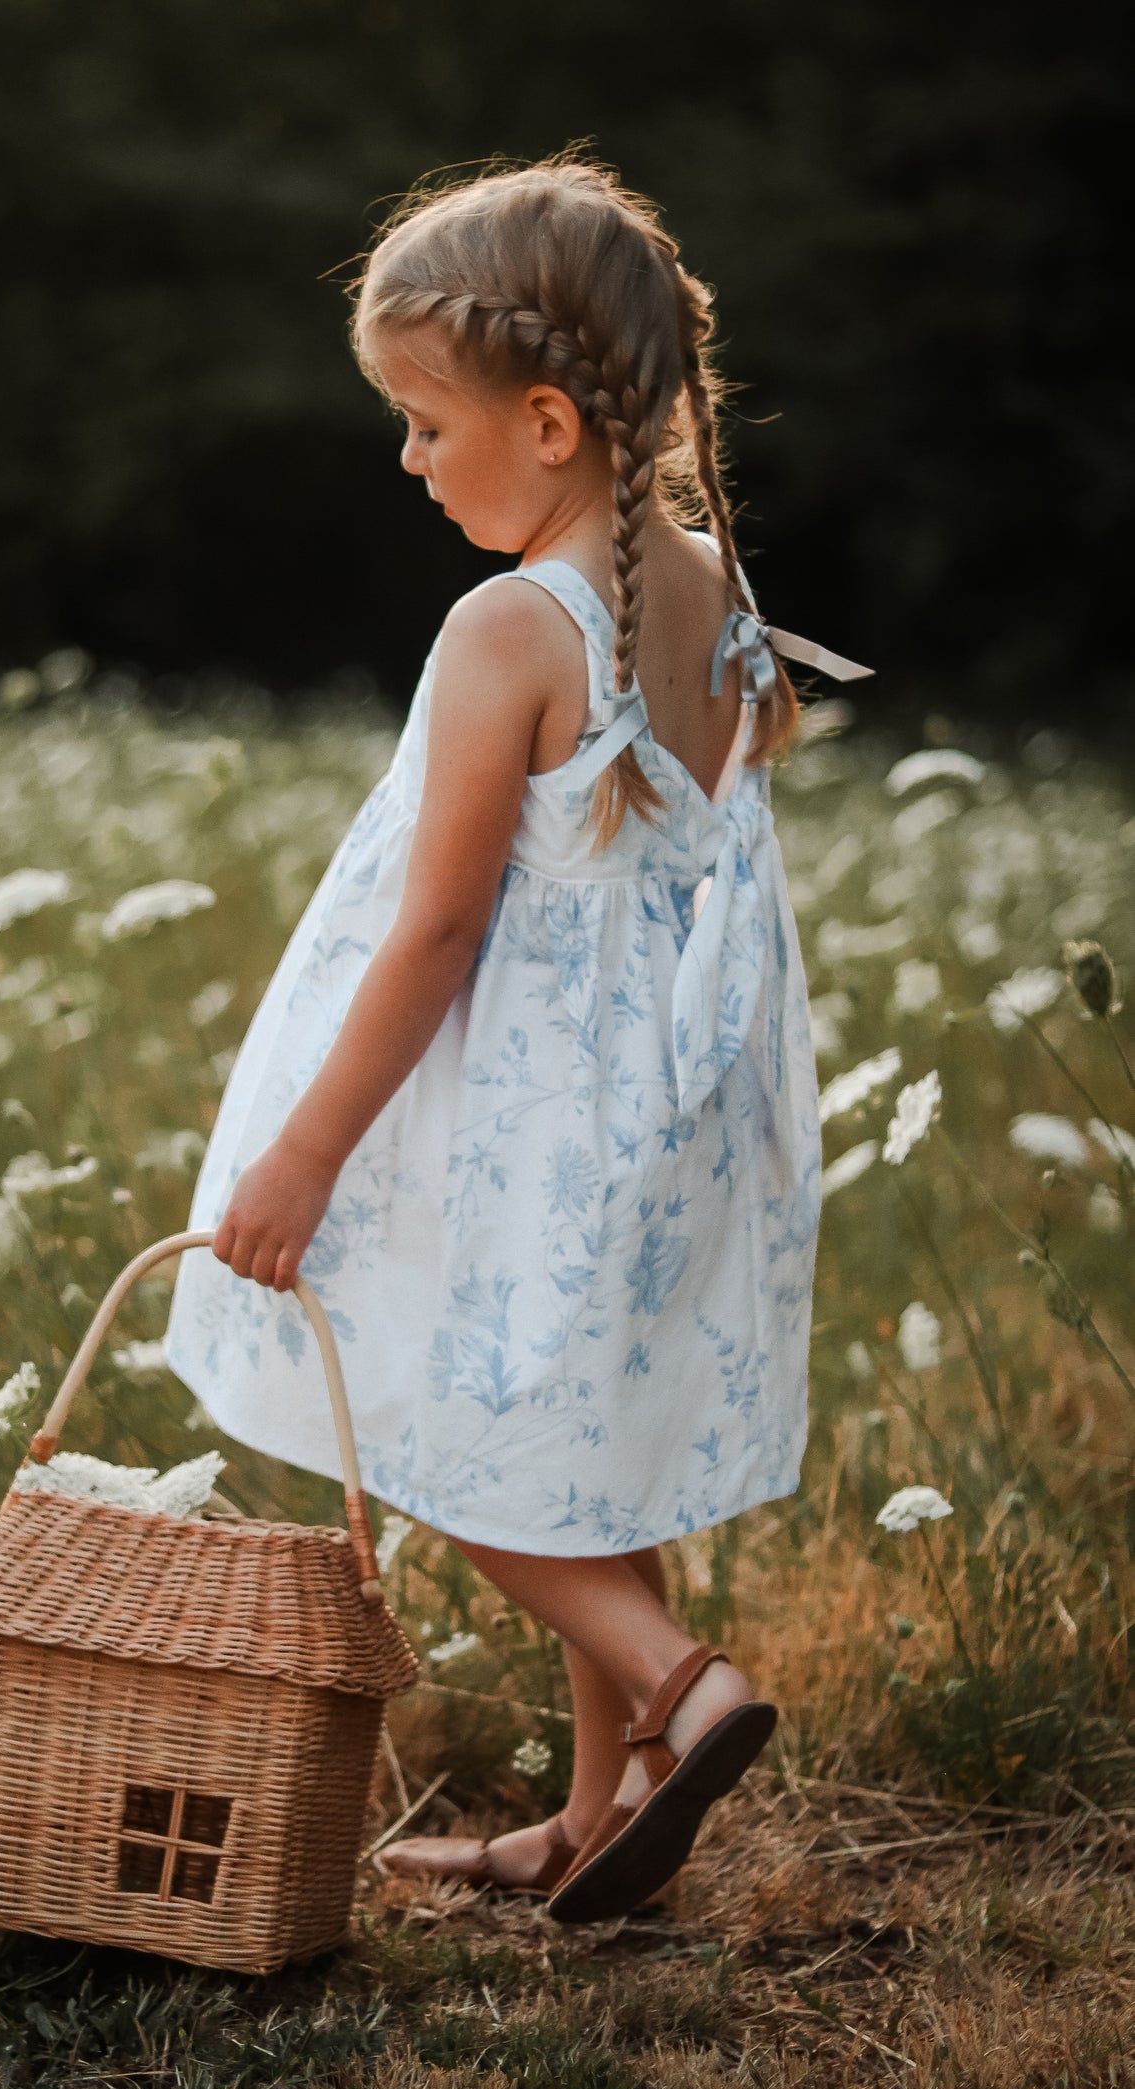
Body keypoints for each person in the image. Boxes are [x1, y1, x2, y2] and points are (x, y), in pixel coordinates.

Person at [163, 156, 869, 1920]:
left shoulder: (507, 624)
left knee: (425, 1414)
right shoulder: (712, 596)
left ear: (546, 419)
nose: (407, 461)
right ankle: (600, 1809)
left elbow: (442, 926)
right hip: (666, 1106)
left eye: (420, 423)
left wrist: (306, 1149)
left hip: (525, 1121)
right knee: (580, 1435)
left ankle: (677, 1677)